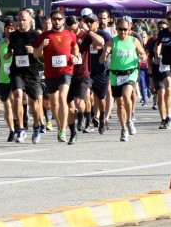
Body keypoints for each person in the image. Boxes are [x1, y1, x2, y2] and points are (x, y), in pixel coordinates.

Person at [34, 9, 79, 144]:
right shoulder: (44, 36)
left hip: (66, 71)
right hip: (50, 74)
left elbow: (75, 47)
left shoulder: (69, 34)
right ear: (51, 20)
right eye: (54, 19)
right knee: (53, 105)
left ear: (63, 20)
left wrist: (75, 56)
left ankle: (63, 131)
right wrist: (42, 45)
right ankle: (60, 127)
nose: (57, 21)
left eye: (59, 19)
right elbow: (36, 54)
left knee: (62, 98)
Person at [100, 18, 146, 141]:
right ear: (117, 29)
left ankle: (129, 120)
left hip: (130, 73)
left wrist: (142, 57)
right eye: (120, 29)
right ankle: (124, 129)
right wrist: (105, 53)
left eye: (125, 29)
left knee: (126, 95)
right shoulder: (112, 42)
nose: (123, 32)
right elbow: (101, 60)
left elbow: (143, 54)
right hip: (115, 75)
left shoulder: (134, 40)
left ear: (129, 29)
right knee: (120, 104)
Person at [65, 15, 104, 144]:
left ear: (78, 23)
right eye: (68, 25)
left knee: (79, 101)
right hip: (66, 74)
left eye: (74, 24)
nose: (71, 27)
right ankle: (72, 133)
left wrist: (88, 31)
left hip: (82, 74)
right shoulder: (64, 35)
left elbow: (100, 43)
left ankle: (81, 116)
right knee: (69, 106)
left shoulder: (84, 35)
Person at [6, 10, 43, 143]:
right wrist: (9, 54)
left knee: (34, 103)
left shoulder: (36, 35)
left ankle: (36, 127)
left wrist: (34, 51)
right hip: (17, 71)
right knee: (17, 97)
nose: (21, 22)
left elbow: (42, 54)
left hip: (31, 72)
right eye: (19, 20)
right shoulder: (14, 35)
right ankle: (20, 130)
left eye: (24, 20)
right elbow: (11, 48)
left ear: (30, 20)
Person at [88, 12, 112, 134]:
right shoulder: (84, 35)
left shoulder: (105, 34)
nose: (88, 24)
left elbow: (103, 44)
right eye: (87, 22)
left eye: (91, 22)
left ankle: (102, 117)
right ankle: (88, 119)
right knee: (86, 94)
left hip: (101, 70)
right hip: (86, 70)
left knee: (101, 97)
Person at [0, 21, 15, 141]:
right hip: (4, 79)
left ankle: (19, 119)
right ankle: (11, 130)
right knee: (7, 105)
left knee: (14, 101)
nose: (9, 31)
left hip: (17, 78)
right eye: (8, 29)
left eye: (12, 29)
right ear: (5, 30)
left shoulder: (18, 43)